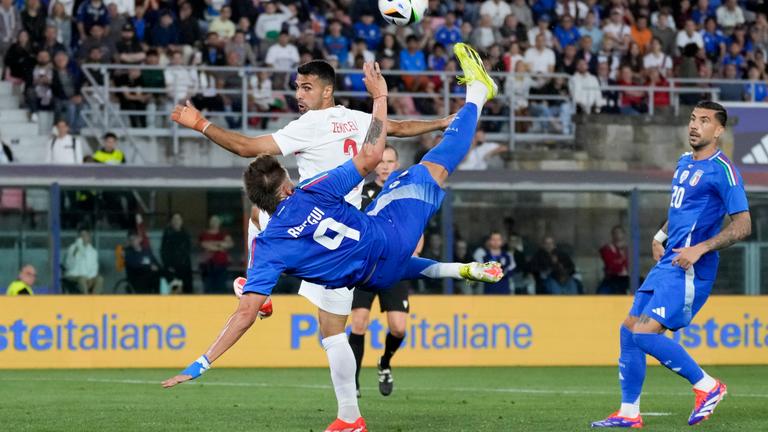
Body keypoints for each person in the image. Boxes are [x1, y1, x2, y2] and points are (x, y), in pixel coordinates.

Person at [162, 44, 502, 432]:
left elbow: (245, 148)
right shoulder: (330, 163)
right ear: (287, 186)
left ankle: (263, 292)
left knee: (325, 320)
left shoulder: (302, 143)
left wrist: (200, 123)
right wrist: (418, 111)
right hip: (364, 229)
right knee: (435, 168)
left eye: (305, 87)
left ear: (326, 91)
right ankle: (477, 95)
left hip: (345, 263)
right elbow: (386, 138)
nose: (297, 95)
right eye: (297, 87)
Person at [592, 101, 751, 428]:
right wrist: (661, 234)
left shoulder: (724, 170)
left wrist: (700, 248)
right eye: (693, 119)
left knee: (645, 335)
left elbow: (742, 225)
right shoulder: (684, 162)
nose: (695, 126)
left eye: (704, 121)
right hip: (668, 261)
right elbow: (681, 209)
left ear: (719, 130)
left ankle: (708, 386)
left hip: (692, 267)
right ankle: (629, 413)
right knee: (628, 330)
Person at [349, 145, 427, 398]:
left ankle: (384, 363)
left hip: (395, 268)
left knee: (398, 328)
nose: (384, 166)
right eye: (381, 161)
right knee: (358, 323)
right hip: (367, 267)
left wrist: (413, 253)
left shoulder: (406, 193)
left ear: (396, 164)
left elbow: (418, 232)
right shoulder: (363, 193)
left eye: (390, 161)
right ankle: (353, 382)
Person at [198, 215, 233, 294]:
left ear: (219, 223)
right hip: (207, 265)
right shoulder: (204, 234)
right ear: (209, 222)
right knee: (208, 287)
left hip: (221, 265)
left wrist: (213, 244)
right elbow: (205, 245)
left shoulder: (223, 234)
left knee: (221, 286)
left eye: (216, 221)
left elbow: (229, 244)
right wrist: (220, 247)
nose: (214, 223)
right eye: (213, 221)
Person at [161, 212, 193, 294]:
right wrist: (169, 266)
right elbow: (164, 252)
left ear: (181, 221)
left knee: (188, 293)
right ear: (171, 221)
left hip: (185, 268)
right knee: (176, 293)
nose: (176, 221)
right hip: (173, 269)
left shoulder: (186, 234)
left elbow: (188, 250)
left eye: (178, 219)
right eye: (174, 219)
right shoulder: (167, 234)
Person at [64, 228, 103, 294]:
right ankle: (86, 301)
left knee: (100, 279)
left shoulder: (93, 252)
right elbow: (68, 265)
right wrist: (75, 252)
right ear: (78, 238)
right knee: (82, 279)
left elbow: (94, 268)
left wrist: (90, 278)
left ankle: (95, 301)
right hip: (74, 275)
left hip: (88, 277)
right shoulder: (72, 248)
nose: (83, 238)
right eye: (81, 236)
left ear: (89, 238)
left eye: (85, 235)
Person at [597, 225, 629, 295]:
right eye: (616, 233)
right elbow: (612, 266)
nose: (618, 236)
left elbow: (629, 266)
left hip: (627, 280)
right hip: (612, 279)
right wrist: (620, 256)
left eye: (620, 233)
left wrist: (622, 253)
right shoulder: (607, 249)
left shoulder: (628, 250)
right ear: (612, 236)